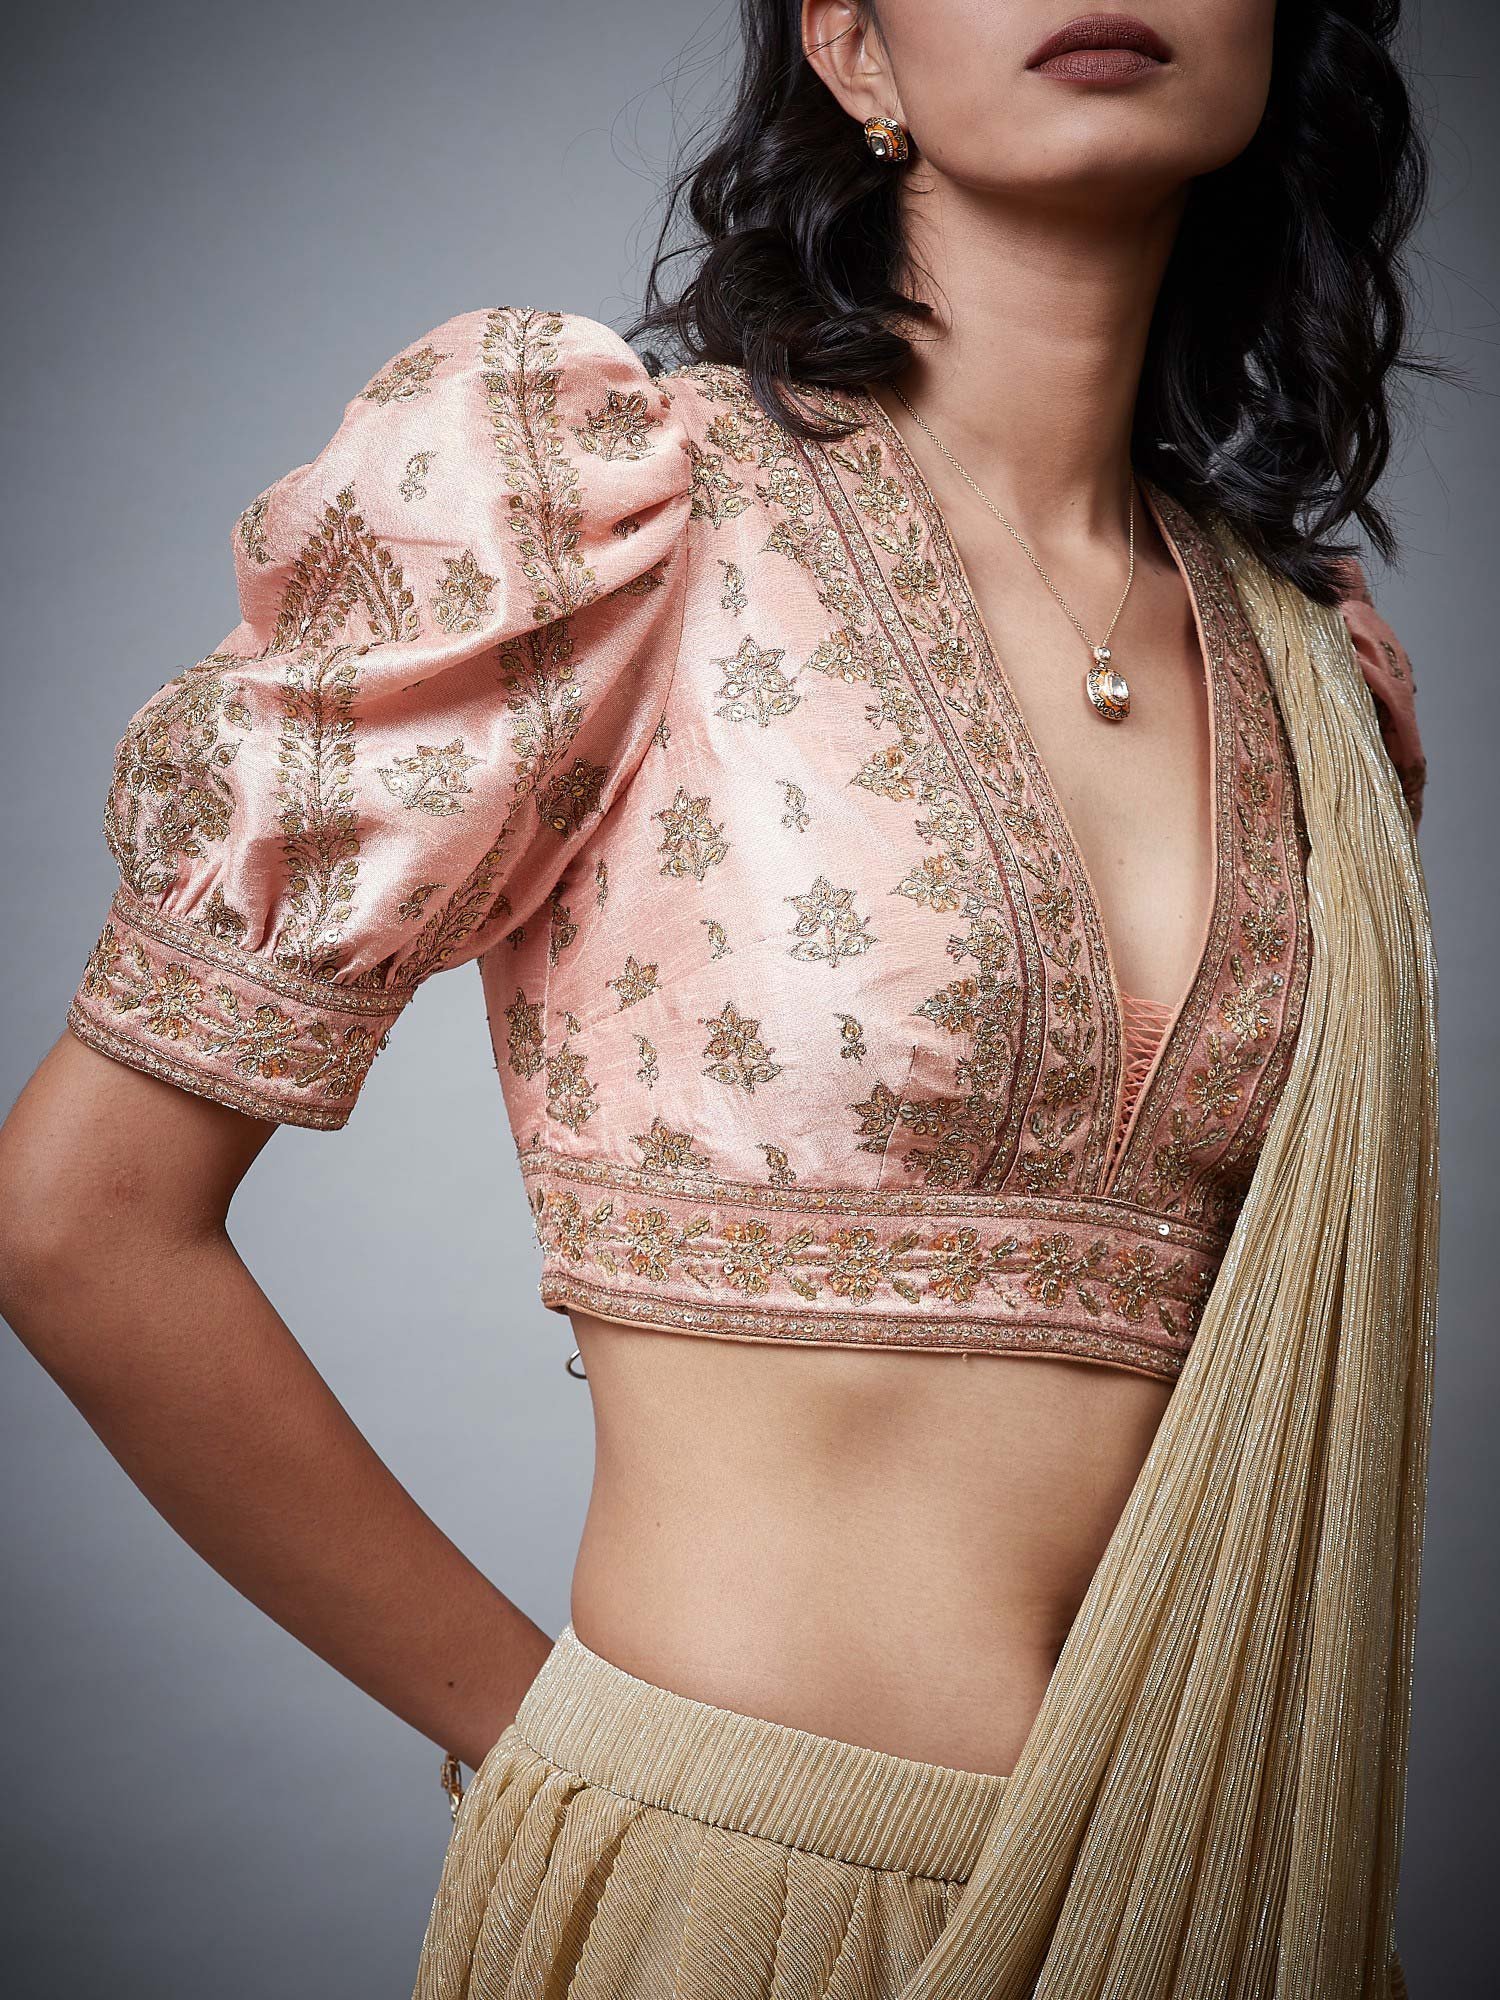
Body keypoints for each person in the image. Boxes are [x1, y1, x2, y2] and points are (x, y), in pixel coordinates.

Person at [0, 4, 1439, 1996]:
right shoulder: (612, 514)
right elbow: (79, 1220)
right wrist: (564, 1753)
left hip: (1203, 1911)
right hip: (725, 1900)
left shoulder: (1310, 678)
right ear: (854, 48)